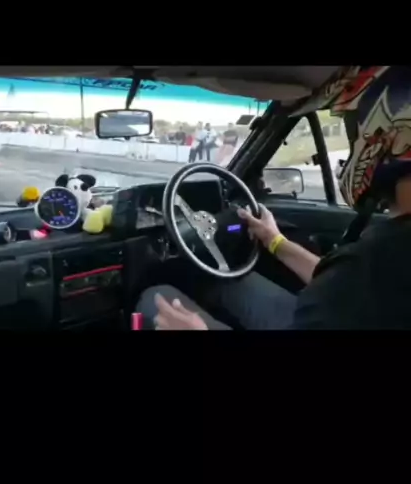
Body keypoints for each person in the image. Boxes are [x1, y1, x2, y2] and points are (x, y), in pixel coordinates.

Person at [137, 65, 411, 331]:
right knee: (227, 283)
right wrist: (274, 240)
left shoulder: (376, 257)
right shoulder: (375, 262)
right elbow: (343, 284)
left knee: (155, 297)